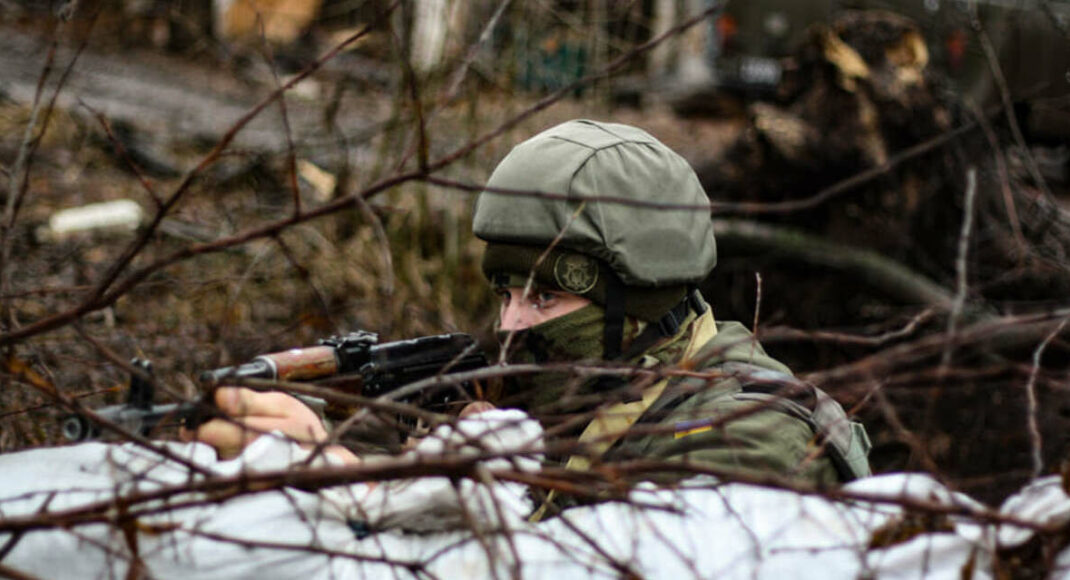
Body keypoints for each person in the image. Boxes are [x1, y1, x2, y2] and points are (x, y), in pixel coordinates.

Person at [188, 119, 871, 494]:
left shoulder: (758, 436)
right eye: (505, 293)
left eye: (544, 295)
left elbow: (601, 554)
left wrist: (372, 492)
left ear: (636, 303)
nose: (511, 322)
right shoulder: (593, 384)